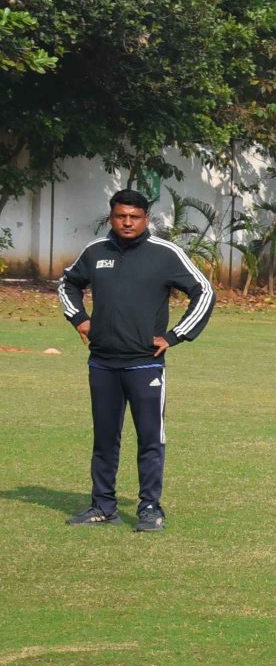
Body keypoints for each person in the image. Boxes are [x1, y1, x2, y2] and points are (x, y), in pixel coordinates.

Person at [56, 187, 216, 532]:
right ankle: (103, 506)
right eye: (121, 216)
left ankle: (150, 509)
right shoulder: (95, 251)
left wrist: (175, 335)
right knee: (104, 439)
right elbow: (67, 283)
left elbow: (204, 291)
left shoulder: (165, 253)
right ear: (111, 217)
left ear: (146, 219)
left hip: (145, 363)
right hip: (102, 362)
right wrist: (80, 319)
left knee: (150, 439)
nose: (127, 222)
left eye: (134, 217)